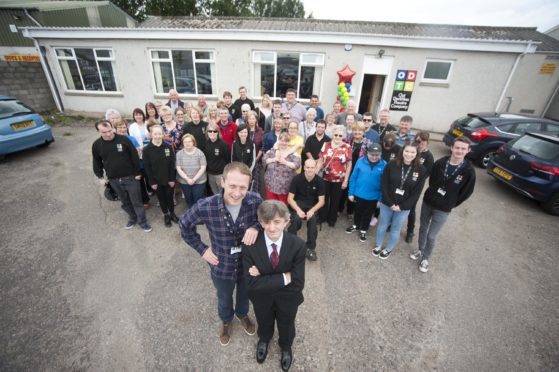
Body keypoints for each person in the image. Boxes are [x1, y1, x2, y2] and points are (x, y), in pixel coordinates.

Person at [179, 162, 261, 346]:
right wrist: (202, 249)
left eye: (243, 187)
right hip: (221, 266)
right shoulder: (206, 206)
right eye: (233, 186)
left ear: (249, 186)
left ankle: (242, 314)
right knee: (224, 296)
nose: (238, 193)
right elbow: (184, 225)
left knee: (245, 293)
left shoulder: (255, 200)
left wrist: (256, 227)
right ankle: (226, 320)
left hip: (248, 264)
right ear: (222, 181)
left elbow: (264, 221)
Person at [243, 200, 306, 372]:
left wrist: (262, 276)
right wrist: (285, 277)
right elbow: (250, 283)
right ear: (260, 222)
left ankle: (286, 346)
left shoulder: (298, 245)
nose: (271, 228)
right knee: (263, 319)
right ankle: (264, 339)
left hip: (288, 299)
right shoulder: (250, 245)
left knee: (287, 323)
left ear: (286, 222)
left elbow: (298, 283)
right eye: (266, 222)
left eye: (277, 222)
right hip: (262, 299)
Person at [411, 136, 476, 273]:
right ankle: (420, 249)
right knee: (423, 227)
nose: (459, 151)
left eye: (463, 149)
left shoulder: (469, 171)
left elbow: (466, 192)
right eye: (457, 147)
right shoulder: (440, 163)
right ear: (452, 147)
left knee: (432, 235)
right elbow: (432, 181)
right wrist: (434, 194)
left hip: (444, 208)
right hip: (428, 202)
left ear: (468, 150)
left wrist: (451, 203)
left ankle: (426, 258)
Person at [92, 119, 152, 232]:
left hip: (131, 177)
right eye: (104, 132)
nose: (108, 134)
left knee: (137, 201)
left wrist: (138, 172)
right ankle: (132, 218)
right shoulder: (96, 145)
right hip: (113, 179)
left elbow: (134, 156)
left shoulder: (124, 140)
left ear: (113, 128)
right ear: (98, 131)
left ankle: (143, 222)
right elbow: (96, 162)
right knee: (125, 202)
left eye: (110, 130)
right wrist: (100, 177)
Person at [373, 141, 427, 259]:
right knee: (382, 225)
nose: (409, 154)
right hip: (387, 203)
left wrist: (401, 206)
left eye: (412, 152)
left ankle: (388, 249)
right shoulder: (392, 164)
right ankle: (378, 245)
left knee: (395, 229)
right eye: (407, 151)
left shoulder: (421, 170)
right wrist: (390, 202)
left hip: (404, 207)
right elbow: (384, 184)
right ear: (402, 151)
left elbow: (417, 192)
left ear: (416, 153)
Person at [346, 143, 386, 242]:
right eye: (372, 154)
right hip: (359, 193)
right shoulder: (360, 161)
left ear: (380, 154)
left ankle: (364, 229)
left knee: (368, 214)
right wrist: (351, 192)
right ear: (367, 153)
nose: (374, 157)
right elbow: (353, 177)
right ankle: (356, 225)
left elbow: (385, 184)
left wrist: (380, 199)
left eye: (377, 155)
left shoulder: (385, 165)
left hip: (373, 196)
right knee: (358, 210)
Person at [287, 158, 325, 261]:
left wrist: (312, 210)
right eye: (308, 167)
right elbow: (290, 199)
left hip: (312, 205)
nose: (310, 170)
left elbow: (321, 201)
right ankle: (291, 247)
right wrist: (298, 210)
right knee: (295, 220)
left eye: (312, 167)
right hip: (298, 204)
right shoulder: (297, 179)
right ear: (304, 167)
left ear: (315, 168)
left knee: (313, 221)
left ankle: (310, 248)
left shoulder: (320, 181)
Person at [316, 125, 352, 227]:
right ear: (332, 134)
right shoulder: (326, 145)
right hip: (325, 178)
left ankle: (332, 220)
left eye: (340, 135)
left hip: (339, 179)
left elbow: (349, 164)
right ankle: (322, 217)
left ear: (343, 136)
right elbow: (320, 161)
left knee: (335, 200)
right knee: (323, 198)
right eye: (336, 135)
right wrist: (315, 173)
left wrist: (346, 180)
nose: (337, 137)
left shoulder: (347, 147)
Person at [143, 125, 178, 227]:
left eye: (159, 134)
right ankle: (166, 215)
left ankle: (172, 213)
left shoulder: (167, 147)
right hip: (156, 181)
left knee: (170, 198)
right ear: (151, 135)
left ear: (162, 134)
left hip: (168, 179)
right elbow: (147, 168)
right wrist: (152, 182)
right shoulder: (147, 150)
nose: (158, 136)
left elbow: (172, 164)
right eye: (155, 134)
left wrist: (172, 179)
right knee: (161, 199)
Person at [405, 131, 435, 243]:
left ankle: (410, 231)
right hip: (404, 182)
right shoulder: (411, 151)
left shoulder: (428, 156)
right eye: (418, 141)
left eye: (423, 141)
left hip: (415, 186)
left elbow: (427, 174)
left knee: (411, 209)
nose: (420, 143)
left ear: (427, 142)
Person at [340, 121, 371, 219]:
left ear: (363, 131)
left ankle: (350, 211)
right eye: (355, 130)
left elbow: (371, 158)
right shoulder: (347, 140)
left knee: (354, 191)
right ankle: (339, 209)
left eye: (359, 130)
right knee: (343, 190)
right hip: (345, 169)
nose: (357, 132)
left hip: (359, 172)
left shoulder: (368, 143)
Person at [263, 132, 301, 204]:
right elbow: (264, 160)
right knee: (271, 206)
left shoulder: (293, 154)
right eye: (282, 140)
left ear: (288, 142)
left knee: (282, 209)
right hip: (271, 185)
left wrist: (285, 162)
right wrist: (273, 159)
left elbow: (297, 165)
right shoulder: (272, 151)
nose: (283, 143)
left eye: (286, 141)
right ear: (279, 141)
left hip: (285, 187)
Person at [176, 133, 207, 209]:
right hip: (184, 181)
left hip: (199, 181)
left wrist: (194, 179)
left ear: (193, 142)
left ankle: (198, 214)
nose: (187, 143)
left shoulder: (200, 153)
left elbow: (203, 167)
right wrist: (187, 179)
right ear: (183, 143)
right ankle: (191, 213)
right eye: (185, 142)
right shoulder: (179, 154)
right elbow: (178, 168)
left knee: (198, 198)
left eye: (189, 141)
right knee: (188, 198)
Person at [204, 123, 231, 195]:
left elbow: (228, 160)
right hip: (210, 174)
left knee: (223, 193)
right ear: (207, 132)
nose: (212, 133)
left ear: (218, 132)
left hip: (220, 174)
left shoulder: (224, 145)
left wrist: (225, 174)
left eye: (215, 131)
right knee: (215, 193)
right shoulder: (205, 144)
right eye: (210, 131)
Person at [246, 111, 264, 192]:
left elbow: (263, 146)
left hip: (257, 160)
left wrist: (257, 158)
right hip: (246, 160)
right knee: (246, 180)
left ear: (256, 120)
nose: (251, 120)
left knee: (256, 181)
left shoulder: (260, 131)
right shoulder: (244, 130)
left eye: (253, 119)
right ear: (247, 120)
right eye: (250, 119)